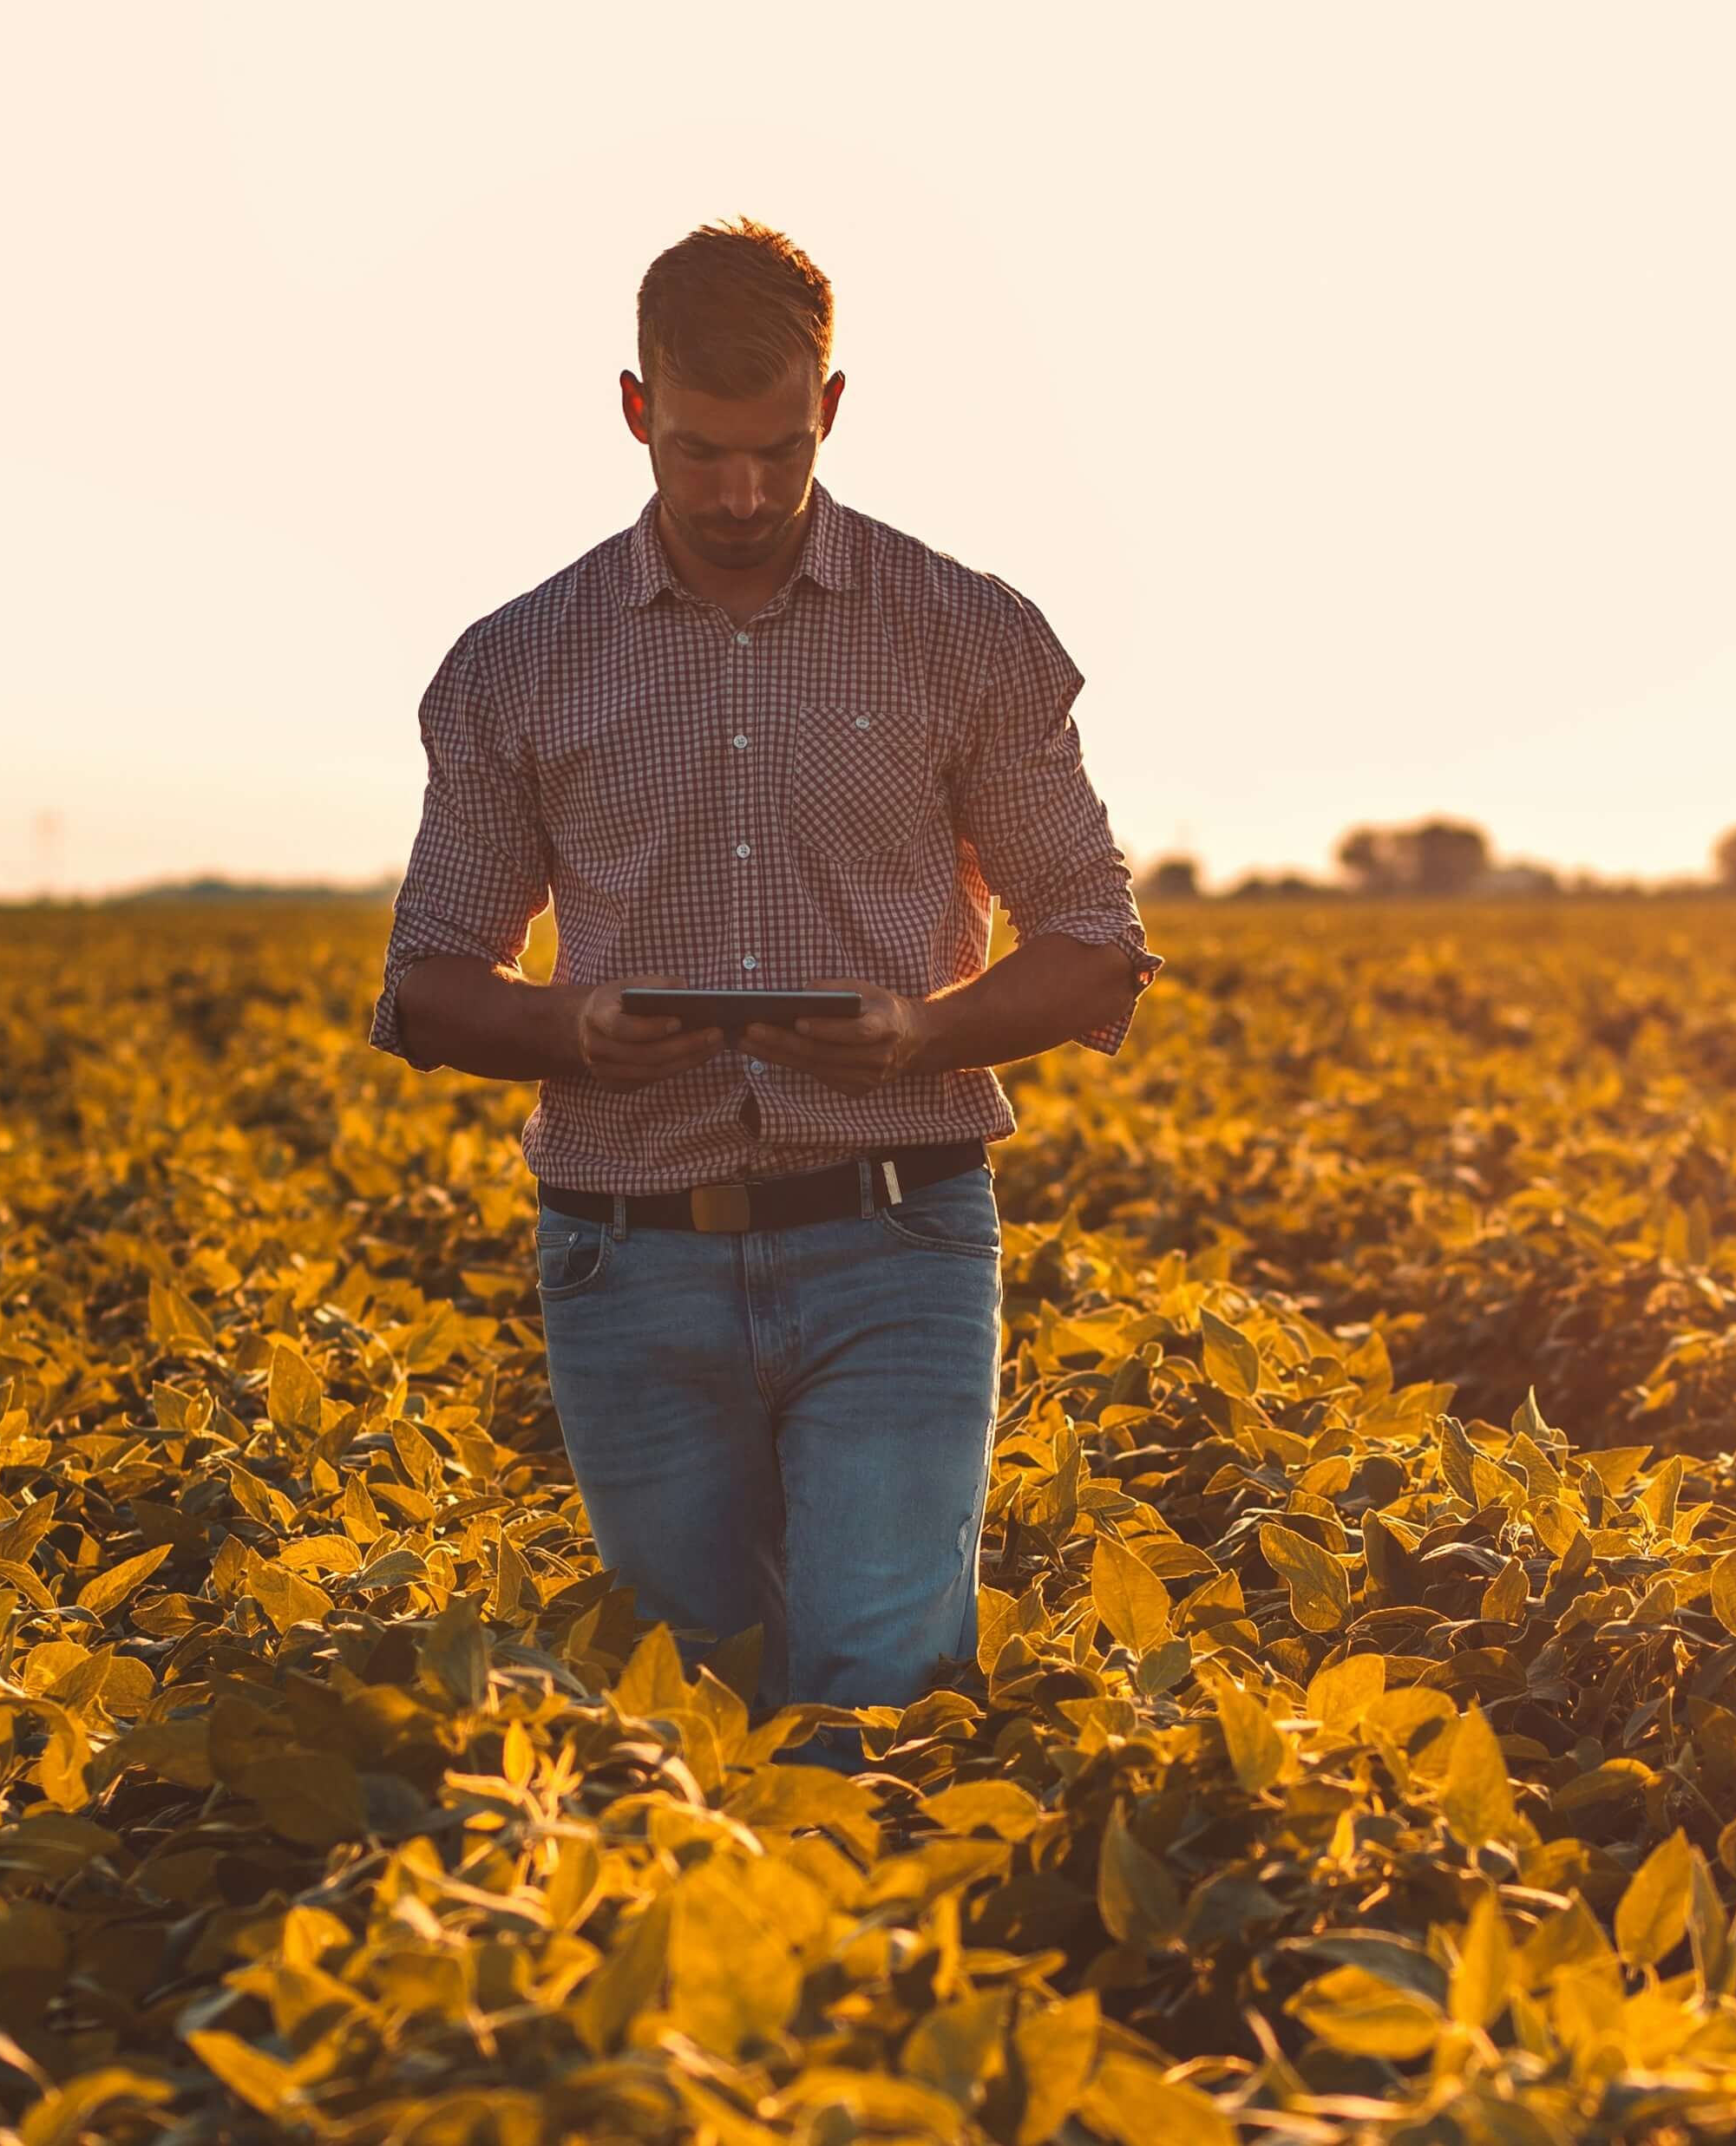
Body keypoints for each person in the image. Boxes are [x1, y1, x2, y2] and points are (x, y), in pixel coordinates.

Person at [366, 218, 1160, 1774]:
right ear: (636, 410)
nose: (740, 496)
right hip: (628, 1253)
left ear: (835, 410)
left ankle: (870, 1990)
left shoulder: (967, 632)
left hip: (897, 1235)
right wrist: (565, 1030)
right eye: (706, 454)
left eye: (777, 453)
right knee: (689, 1704)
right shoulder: (519, 662)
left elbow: (1094, 934)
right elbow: (428, 977)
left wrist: (925, 1031)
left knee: (877, 1689)